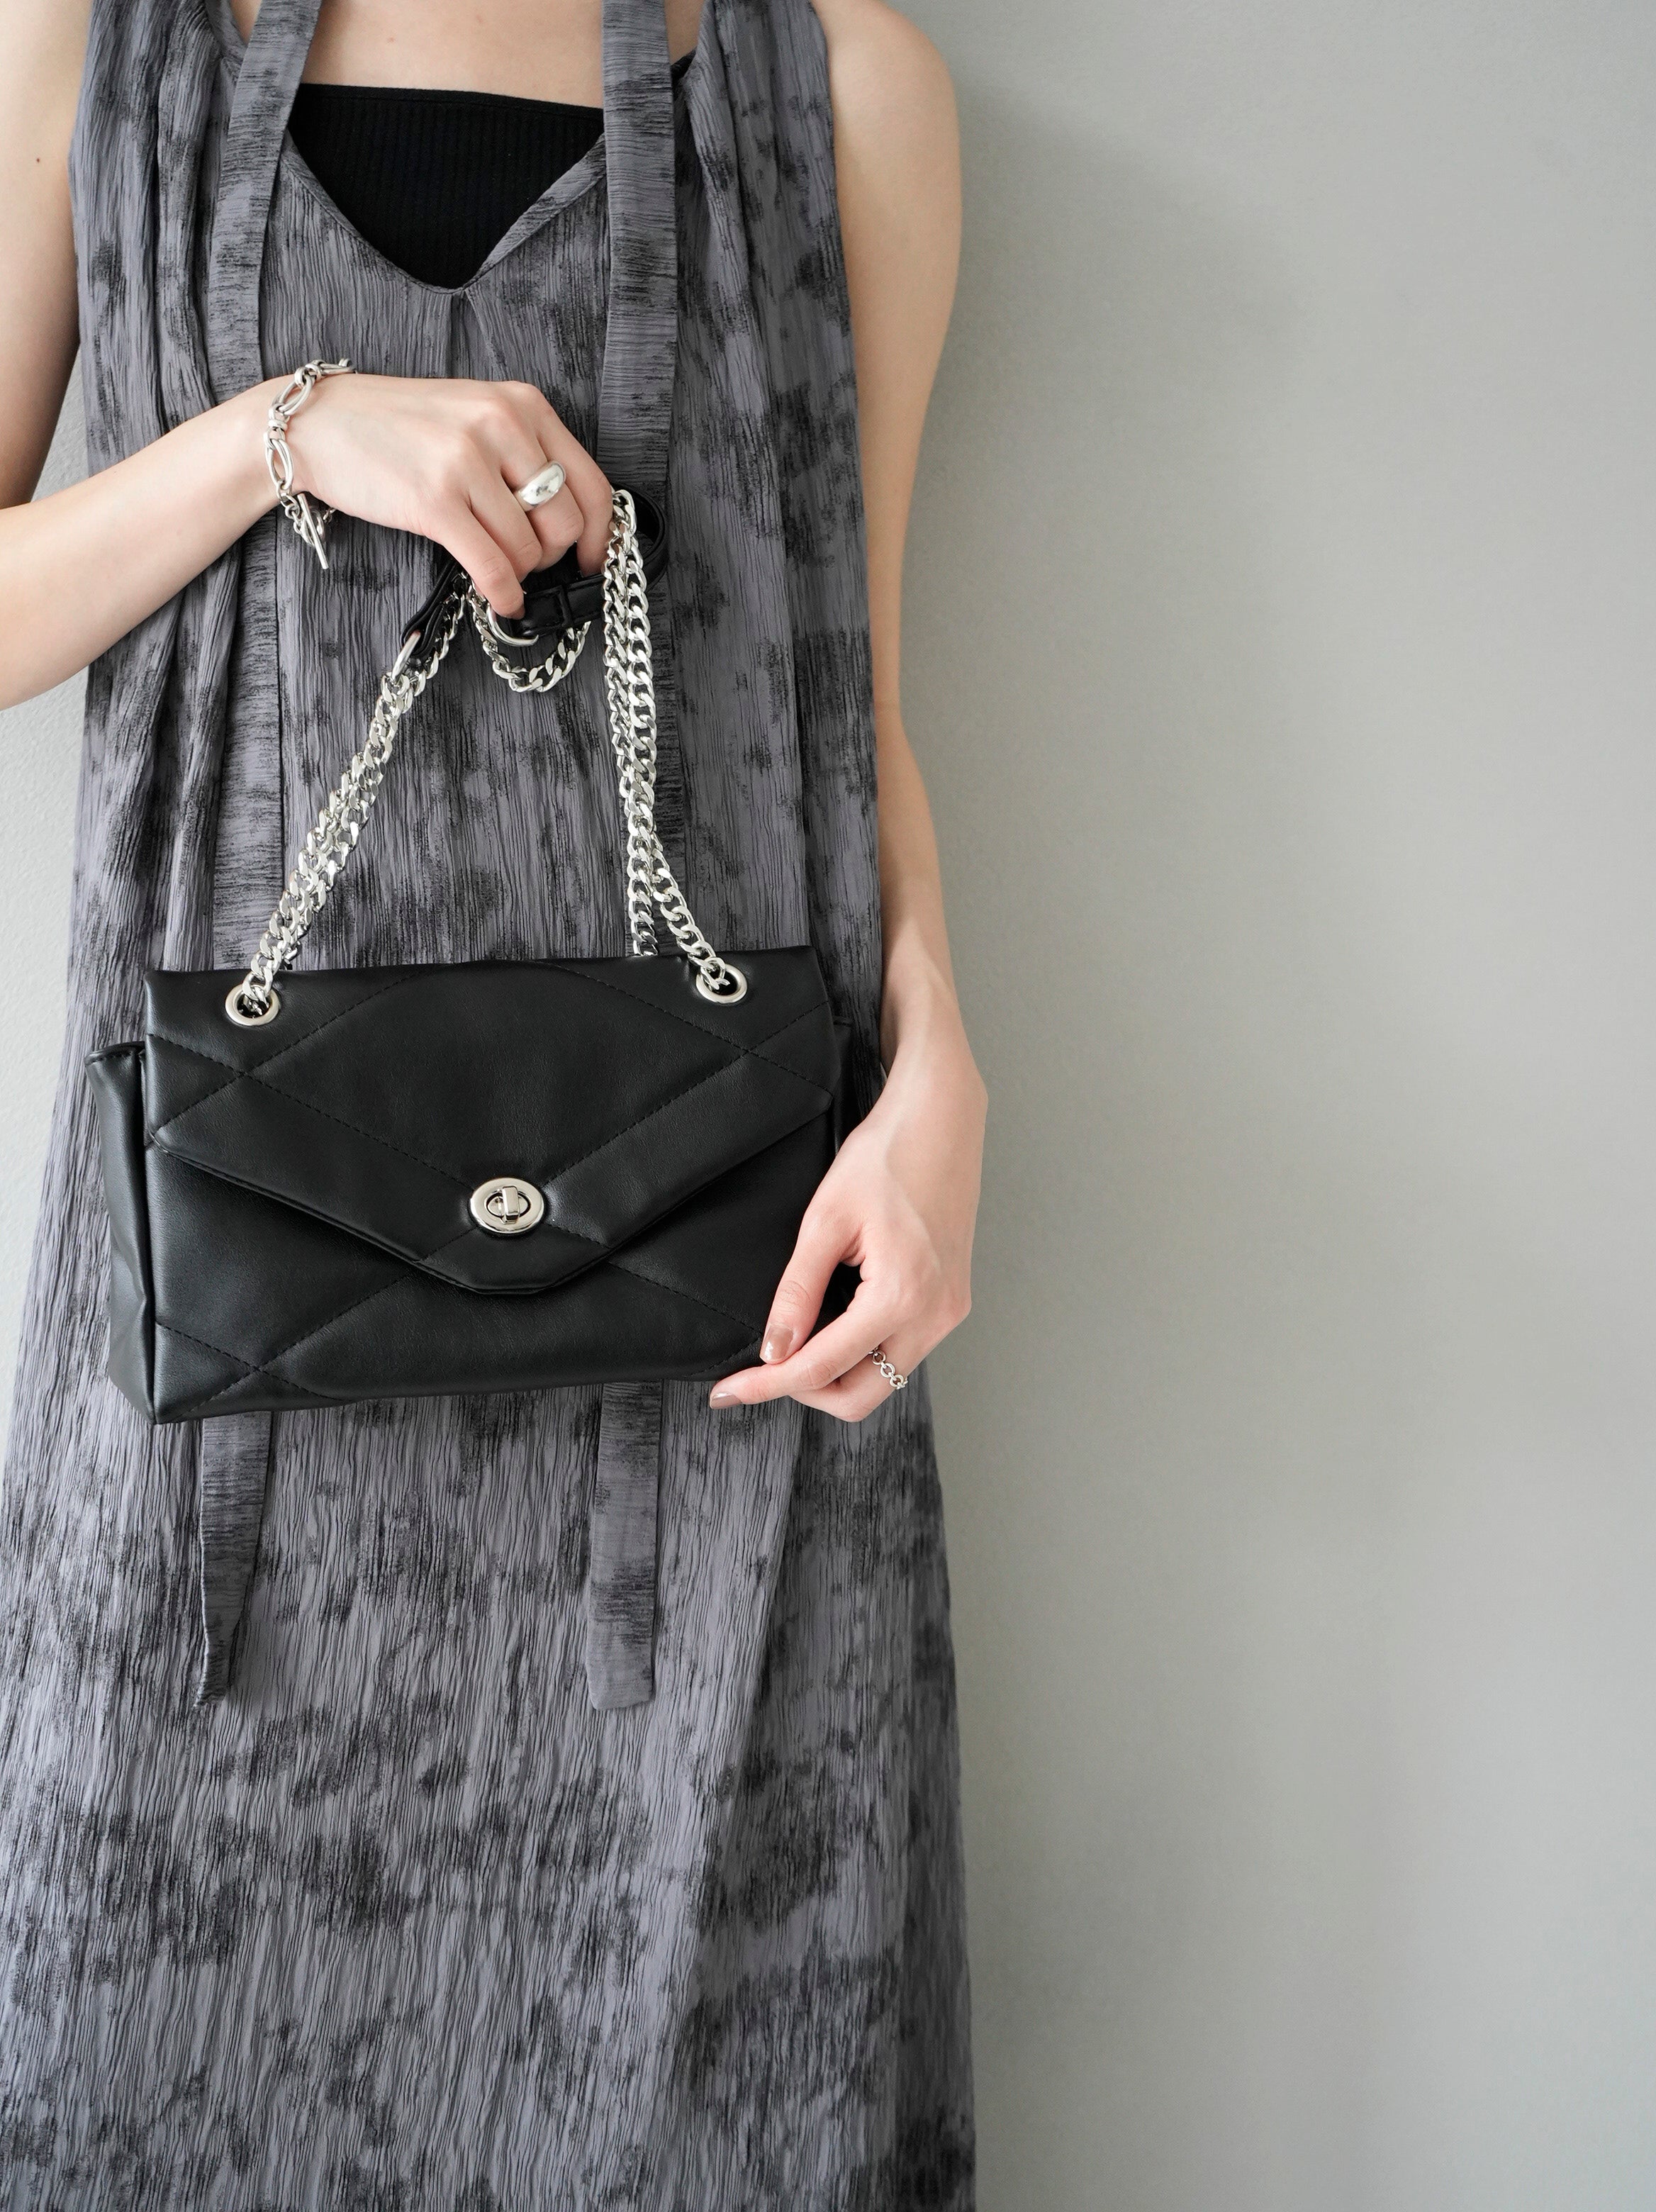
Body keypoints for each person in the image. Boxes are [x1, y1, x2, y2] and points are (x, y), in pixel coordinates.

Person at [0, 0, 984, 2196]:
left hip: (719, 1342)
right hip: (212, 1367)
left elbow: (850, 701)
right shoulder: (91, 50)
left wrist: (941, 1071)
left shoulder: (844, 88)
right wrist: (280, 435)